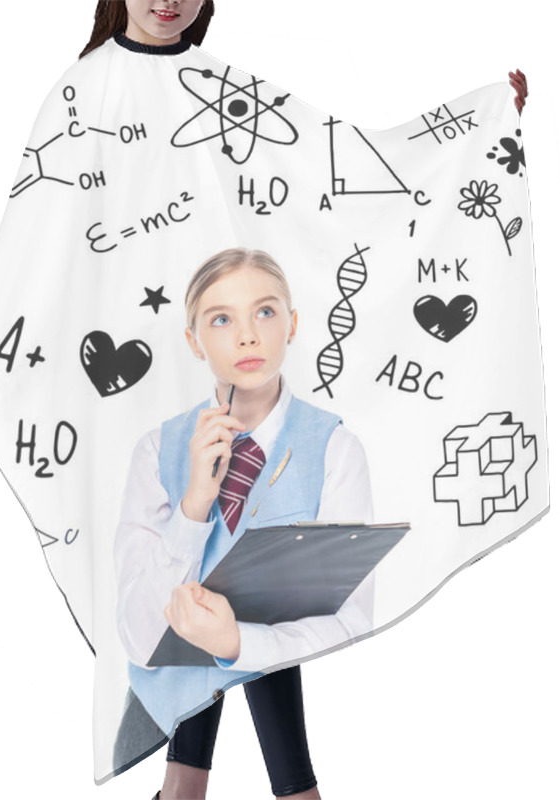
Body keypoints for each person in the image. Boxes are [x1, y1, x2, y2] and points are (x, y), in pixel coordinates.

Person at [0, 4, 531, 797]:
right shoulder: (85, 89)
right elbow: (37, 230)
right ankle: (238, 786)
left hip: (227, 338)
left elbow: (336, 170)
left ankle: (200, 786)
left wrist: (472, 128)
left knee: (247, 570)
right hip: (138, 357)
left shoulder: (216, 87)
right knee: (183, 558)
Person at [113, 247, 375, 799]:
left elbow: (352, 615)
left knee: (260, 646)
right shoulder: (157, 451)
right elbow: (138, 636)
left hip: (277, 652)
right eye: (222, 319)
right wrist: (192, 507)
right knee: (184, 773)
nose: (248, 336)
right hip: (170, 674)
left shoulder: (334, 450)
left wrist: (237, 641)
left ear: (293, 324)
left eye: (265, 312)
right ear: (193, 341)